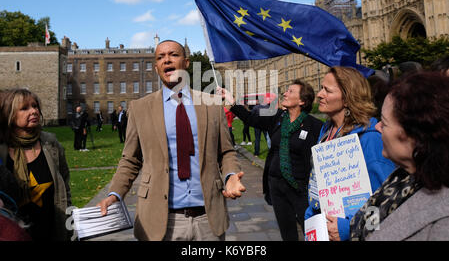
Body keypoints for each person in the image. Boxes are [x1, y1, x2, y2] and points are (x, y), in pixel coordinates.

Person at [97, 40, 246, 241]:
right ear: (157, 67)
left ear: (185, 63)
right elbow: (130, 160)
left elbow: (226, 151)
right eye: (160, 57)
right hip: (160, 221)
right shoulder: (140, 108)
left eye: (173, 55)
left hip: (207, 219)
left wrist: (230, 176)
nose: (166, 60)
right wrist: (114, 194)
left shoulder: (211, 104)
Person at [218, 80, 323, 241]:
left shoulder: (314, 126)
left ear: (302, 101)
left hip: (300, 189)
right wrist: (231, 101)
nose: (285, 94)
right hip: (276, 186)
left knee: (311, 230)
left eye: (290, 91)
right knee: (287, 233)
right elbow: (251, 119)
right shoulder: (278, 117)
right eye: (286, 91)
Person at [351, 71, 449, 241]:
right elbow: (368, 225)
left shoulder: (443, 222)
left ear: (413, 136)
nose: (378, 127)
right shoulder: (400, 177)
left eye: (385, 123)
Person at [305, 66, 396, 241]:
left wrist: (348, 229)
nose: (319, 94)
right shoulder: (327, 130)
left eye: (327, 90)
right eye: (321, 88)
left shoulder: (370, 139)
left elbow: (387, 203)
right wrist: (311, 214)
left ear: (347, 98)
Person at [0, 89, 72, 241]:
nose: (33, 111)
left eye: (35, 106)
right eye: (25, 108)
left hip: (51, 230)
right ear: (10, 114)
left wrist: (68, 220)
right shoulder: (1, 150)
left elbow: (65, 185)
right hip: (15, 232)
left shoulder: (51, 144)